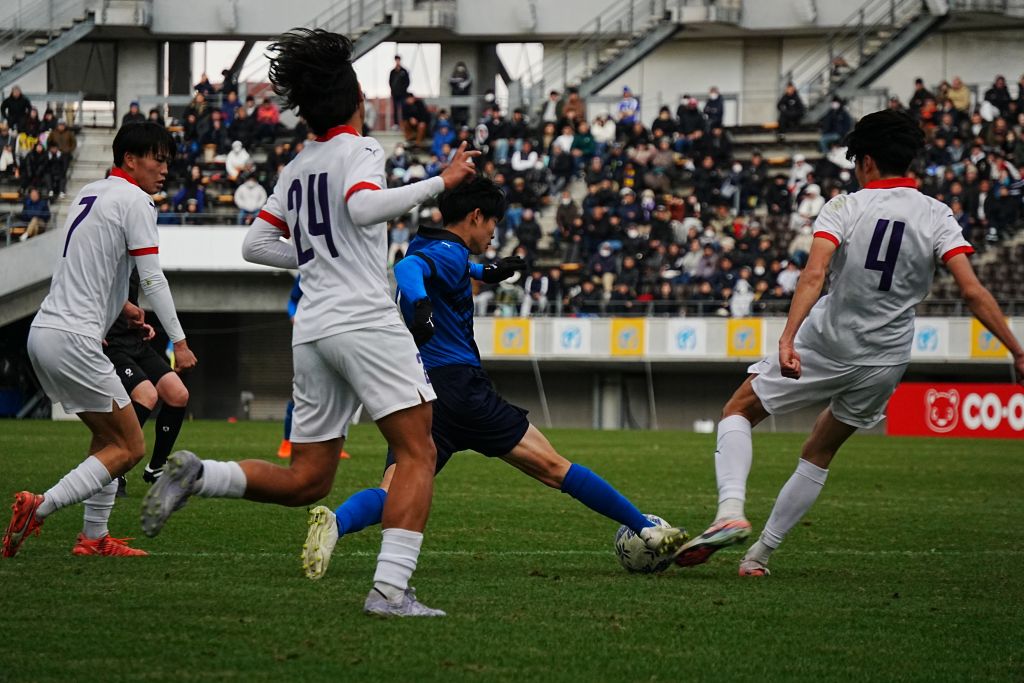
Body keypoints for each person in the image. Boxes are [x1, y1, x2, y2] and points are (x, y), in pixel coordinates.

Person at [139, 29, 479, 618]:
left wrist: (317, 257)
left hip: (313, 328)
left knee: (309, 480)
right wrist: (441, 183)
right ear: (354, 104)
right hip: (364, 321)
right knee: (418, 453)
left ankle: (202, 475)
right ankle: (390, 592)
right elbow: (362, 207)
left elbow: (254, 243)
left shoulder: (298, 166)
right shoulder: (361, 150)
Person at [673, 109, 1024, 577]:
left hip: (828, 342)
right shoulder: (937, 214)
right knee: (819, 451)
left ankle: (729, 511)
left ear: (867, 162)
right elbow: (973, 291)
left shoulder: (845, 206)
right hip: (886, 360)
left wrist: (787, 338)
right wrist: (1017, 350)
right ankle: (759, 557)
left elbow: (814, 273)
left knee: (739, 409)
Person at [301, 177, 689, 581]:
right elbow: (408, 269)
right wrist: (418, 304)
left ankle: (336, 523)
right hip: (463, 391)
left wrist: (487, 270)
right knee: (555, 468)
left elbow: (433, 262)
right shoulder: (442, 253)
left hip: (422, 392)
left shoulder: (433, 245)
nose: (492, 234)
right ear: (475, 216)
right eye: (492, 225)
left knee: (394, 490)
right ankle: (647, 529)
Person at [2, 122, 197, 559]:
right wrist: (179, 342)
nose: (164, 168)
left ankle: (93, 537)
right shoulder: (136, 201)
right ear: (130, 159)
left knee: (109, 439)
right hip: (75, 338)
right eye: (157, 158)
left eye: (167, 159)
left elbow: (84, 264)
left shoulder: (91, 193)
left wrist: (122, 308)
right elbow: (152, 277)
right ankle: (40, 507)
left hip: (47, 331)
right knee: (131, 447)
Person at [103, 269, 191, 487]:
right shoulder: (105, 251)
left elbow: (129, 302)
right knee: (147, 396)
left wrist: (137, 324)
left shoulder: (134, 260)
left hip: (135, 340)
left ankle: (156, 468)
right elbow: (94, 290)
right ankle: (115, 468)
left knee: (178, 394)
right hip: (110, 344)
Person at [389, 55, 410, 128]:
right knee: (395, 108)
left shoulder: (404, 71)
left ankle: (404, 123)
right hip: (395, 94)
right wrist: (392, 91)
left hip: (403, 94)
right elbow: (390, 82)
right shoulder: (392, 72)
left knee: (404, 108)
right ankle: (396, 124)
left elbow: (407, 82)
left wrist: (403, 90)